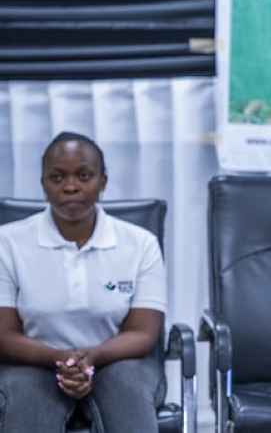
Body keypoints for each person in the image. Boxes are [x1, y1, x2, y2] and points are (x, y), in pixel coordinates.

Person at [0, 132, 167, 432]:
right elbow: (4, 334)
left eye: (84, 175)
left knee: (128, 392)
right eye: (57, 177)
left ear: (102, 182)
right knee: (26, 401)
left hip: (119, 362)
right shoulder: (7, 243)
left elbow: (143, 332)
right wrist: (59, 359)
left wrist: (93, 356)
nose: (71, 186)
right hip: (32, 364)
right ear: (43, 185)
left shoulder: (141, 244)